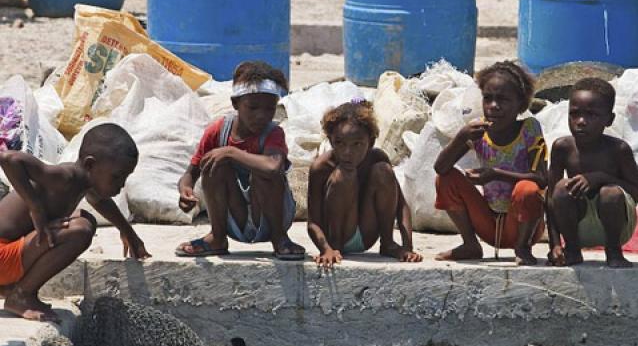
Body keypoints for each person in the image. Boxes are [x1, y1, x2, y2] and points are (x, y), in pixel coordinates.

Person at [0, 123, 148, 322]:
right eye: (117, 176)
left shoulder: (84, 182)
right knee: (81, 230)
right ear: (89, 165)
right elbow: (9, 159)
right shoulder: (65, 177)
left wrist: (128, 232)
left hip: (10, 256)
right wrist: (36, 209)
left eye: (125, 178)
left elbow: (99, 200)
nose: (121, 185)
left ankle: (11, 288)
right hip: (3, 254)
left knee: (85, 219)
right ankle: (21, 296)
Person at [175, 61, 305, 260]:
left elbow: (272, 167)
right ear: (236, 103)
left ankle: (280, 239)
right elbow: (190, 173)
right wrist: (186, 191)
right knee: (214, 165)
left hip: (270, 217)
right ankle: (217, 237)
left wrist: (230, 152)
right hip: (234, 217)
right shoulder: (218, 131)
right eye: (252, 107)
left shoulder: (273, 133)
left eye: (269, 109)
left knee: (265, 172)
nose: (261, 116)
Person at [434, 61, 547, 265]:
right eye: (488, 99)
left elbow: (541, 178)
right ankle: (470, 244)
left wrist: (495, 174)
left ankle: (522, 248)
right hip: (489, 222)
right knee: (446, 178)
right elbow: (440, 168)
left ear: (520, 104)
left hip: (523, 224)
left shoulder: (529, 128)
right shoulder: (478, 131)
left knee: (528, 189)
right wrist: (461, 137)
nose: (493, 106)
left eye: (503, 100)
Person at [307, 99, 422, 267]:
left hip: (367, 233)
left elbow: (402, 206)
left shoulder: (376, 157)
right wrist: (325, 249)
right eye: (340, 143)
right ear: (331, 141)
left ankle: (388, 243)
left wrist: (407, 247)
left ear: (371, 142)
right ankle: (336, 247)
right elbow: (313, 223)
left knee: (383, 170)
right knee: (343, 176)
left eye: (357, 144)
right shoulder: (321, 167)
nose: (348, 152)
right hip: (336, 236)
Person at [547, 78, 638, 268]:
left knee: (610, 193)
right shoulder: (563, 147)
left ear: (609, 119)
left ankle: (614, 252)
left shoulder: (618, 150)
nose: (581, 122)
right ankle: (572, 250)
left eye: (591, 115)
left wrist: (600, 178)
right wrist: (555, 244)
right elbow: (550, 199)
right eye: (574, 114)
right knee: (560, 188)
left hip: (615, 227)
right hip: (577, 226)